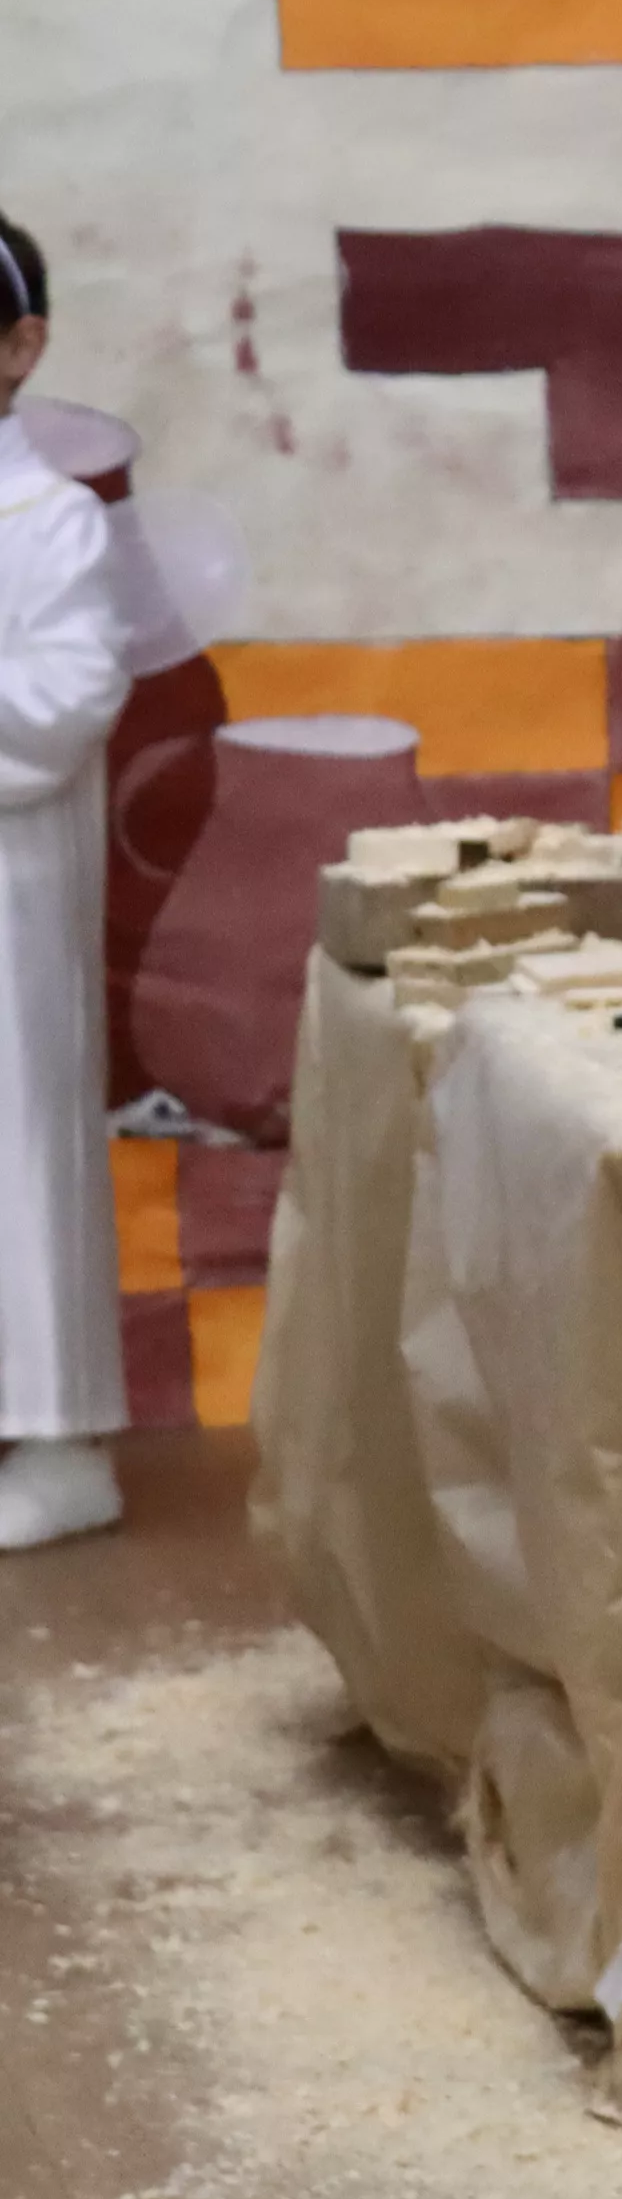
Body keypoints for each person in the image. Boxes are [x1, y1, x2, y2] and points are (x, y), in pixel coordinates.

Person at [0, 209, 128, 1549]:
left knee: (16, 1149)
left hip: (6, 899)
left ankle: (55, 1439)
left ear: (21, 347)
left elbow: (65, 700)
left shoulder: (52, 524)